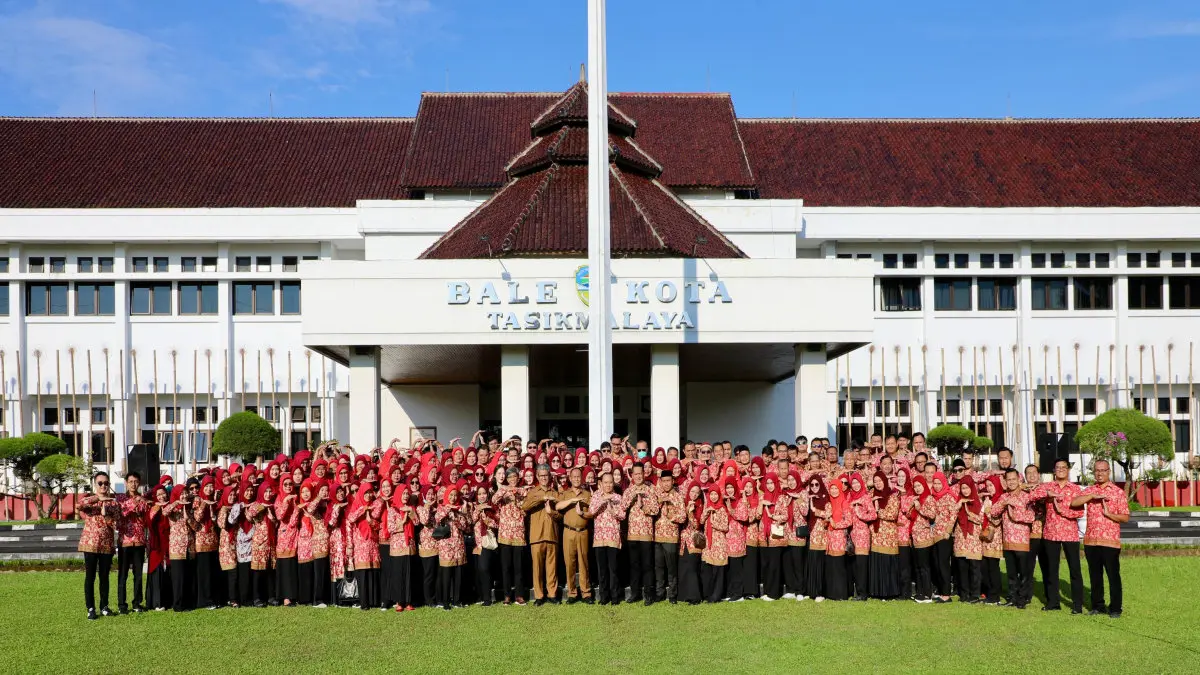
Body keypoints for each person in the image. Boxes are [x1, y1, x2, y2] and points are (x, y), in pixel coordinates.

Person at [1071, 460, 1129, 618]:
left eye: (1103, 470)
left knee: (1113, 575)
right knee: (1095, 575)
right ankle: (1098, 606)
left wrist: (1110, 515)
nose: (1100, 473)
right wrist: (1090, 496)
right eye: (1097, 470)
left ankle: (1116, 608)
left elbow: (1125, 517)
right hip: (1091, 540)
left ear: (1109, 471)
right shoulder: (1090, 490)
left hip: (1110, 541)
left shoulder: (1117, 492)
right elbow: (1074, 502)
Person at [1030, 459, 1084, 613]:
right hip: (1051, 533)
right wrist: (1048, 494)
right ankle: (1053, 602)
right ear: (1054, 470)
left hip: (1070, 534)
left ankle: (1077, 605)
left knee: (1075, 570)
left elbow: (1080, 512)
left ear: (1068, 470)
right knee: (1051, 570)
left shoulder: (1075, 489)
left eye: (1063, 467)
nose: (1060, 470)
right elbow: (1032, 496)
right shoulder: (1047, 486)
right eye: (1058, 467)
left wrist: (1063, 512)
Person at [988, 468, 1034, 609]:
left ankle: (1022, 598)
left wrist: (1015, 513)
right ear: (1005, 482)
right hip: (1007, 540)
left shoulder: (1026, 496)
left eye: (1014, 479)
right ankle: (1012, 597)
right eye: (1009, 480)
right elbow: (994, 512)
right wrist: (1004, 503)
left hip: (1022, 540)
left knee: (1024, 572)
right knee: (1011, 572)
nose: (1012, 482)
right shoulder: (1004, 497)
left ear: (1019, 480)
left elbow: (1031, 516)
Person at [79, 472, 118, 620]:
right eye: (100, 483)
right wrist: (98, 499)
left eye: (106, 483)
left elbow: (117, 522)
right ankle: (90, 608)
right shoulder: (89, 500)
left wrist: (107, 514)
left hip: (106, 544)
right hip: (90, 543)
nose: (103, 486)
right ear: (95, 484)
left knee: (104, 577)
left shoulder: (113, 503)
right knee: (90, 577)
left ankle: (104, 606)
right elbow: (79, 507)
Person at [523, 466, 561, 605]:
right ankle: (539, 596)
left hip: (551, 534)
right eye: (541, 475)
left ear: (549, 477)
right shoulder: (533, 492)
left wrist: (552, 513)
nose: (544, 478)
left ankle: (552, 594)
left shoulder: (555, 493)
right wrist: (542, 498)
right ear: (537, 477)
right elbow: (525, 507)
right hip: (536, 535)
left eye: (546, 475)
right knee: (537, 568)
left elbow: (561, 514)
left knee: (552, 568)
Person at [621, 463, 656, 605]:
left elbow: (655, 510)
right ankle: (635, 593)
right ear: (632, 475)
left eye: (640, 473)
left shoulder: (650, 489)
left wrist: (644, 506)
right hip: (633, 534)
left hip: (646, 533)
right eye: (635, 474)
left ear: (644, 474)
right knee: (634, 565)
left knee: (647, 565)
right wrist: (632, 499)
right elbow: (622, 508)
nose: (638, 476)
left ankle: (648, 595)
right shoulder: (628, 491)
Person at [557, 467, 593, 604]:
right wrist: (571, 501)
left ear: (581, 478)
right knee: (569, 563)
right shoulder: (565, 493)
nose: (577, 479)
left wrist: (583, 514)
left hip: (583, 531)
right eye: (574, 477)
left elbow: (592, 513)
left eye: (579, 477)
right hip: (568, 532)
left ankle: (586, 592)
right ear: (570, 478)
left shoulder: (587, 494)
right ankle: (572, 592)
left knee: (584, 563)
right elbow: (558, 506)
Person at [589, 472, 625, 604]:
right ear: (601, 483)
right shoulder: (596, 496)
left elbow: (622, 515)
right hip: (599, 538)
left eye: (610, 482)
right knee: (602, 570)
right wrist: (602, 501)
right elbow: (591, 511)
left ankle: (615, 597)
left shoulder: (618, 498)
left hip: (613, 538)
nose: (608, 485)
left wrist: (612, 511)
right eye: (605, 482)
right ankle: (604, 597)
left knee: (613, 569)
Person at [115, 471, 148, 614]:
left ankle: (137, 603)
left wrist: (140, 505)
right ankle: (122, 604)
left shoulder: (144, 499)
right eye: (131, 481)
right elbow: (120, 514)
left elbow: (145, 516)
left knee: (138, 574)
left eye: (136, 481)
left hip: (139, 541)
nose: (133, 484)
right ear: (126, 483)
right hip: (125, 541)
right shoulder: (120, 498)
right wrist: (132, 505)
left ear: (139, 483)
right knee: (123, 574)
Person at [493, 469, 528, 605]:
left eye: (515, 476)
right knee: (506, 566)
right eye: (510, 477)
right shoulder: (503, 491)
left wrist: (517, 490)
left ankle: (519, 595)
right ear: (507, 479)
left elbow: (528, 498)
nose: (513, 479)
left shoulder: (522, 491)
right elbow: (494, 500)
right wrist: (505, 490)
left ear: (518, 478)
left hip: (518, 533)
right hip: (505, 533)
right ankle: (507, 595)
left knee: (518, 567)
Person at [652, 470, 685, 603]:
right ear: (660, 482)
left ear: (672, 481)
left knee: (671, 567)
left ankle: (672, 594)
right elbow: (651, 511)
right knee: (659, 567)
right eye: (663, 481)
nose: (666, 484)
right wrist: (660, 501)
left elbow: (683, 516)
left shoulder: (677, 496)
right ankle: (660, 593)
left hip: (671, 536)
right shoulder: (657, 495)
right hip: (658, 536)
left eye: (668, 481)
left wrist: (672, 517)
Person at [868, 471, 901, 600]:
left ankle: (890, 592)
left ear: (884, 480)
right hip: (876, 534)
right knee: (877, 562)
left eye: (880, 481)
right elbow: (867, 509)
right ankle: (877, 592)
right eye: (875, 482)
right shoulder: (871, 494)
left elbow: (892, 514)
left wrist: (877, 510)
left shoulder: (892, 495)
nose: (878, 484)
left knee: (888, 564)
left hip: (888, 535)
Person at [952, 478, 984, 603]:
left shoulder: (978, 501)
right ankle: (964, 594)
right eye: (962, 488)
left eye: (967, 488)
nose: (965, 491)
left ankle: (975, 594)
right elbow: (950, 517)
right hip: (961, 538)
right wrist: (959, 505)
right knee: (962, 567)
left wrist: (970, 514)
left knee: (974, 567)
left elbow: (983, 519)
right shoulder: (958, 501)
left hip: (974, 537)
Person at [699, 485, 729, 603]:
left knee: (718, 571)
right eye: (711, 494)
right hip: (708, 543)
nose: (714, 496)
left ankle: (716, 596)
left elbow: (725, 527)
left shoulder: (722, 508)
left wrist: (714, 524)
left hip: (718, 543)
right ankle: (707, 594)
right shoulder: (707, 507)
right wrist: (706, 513)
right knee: (707, 571)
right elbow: (701, 521)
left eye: (716, 494)